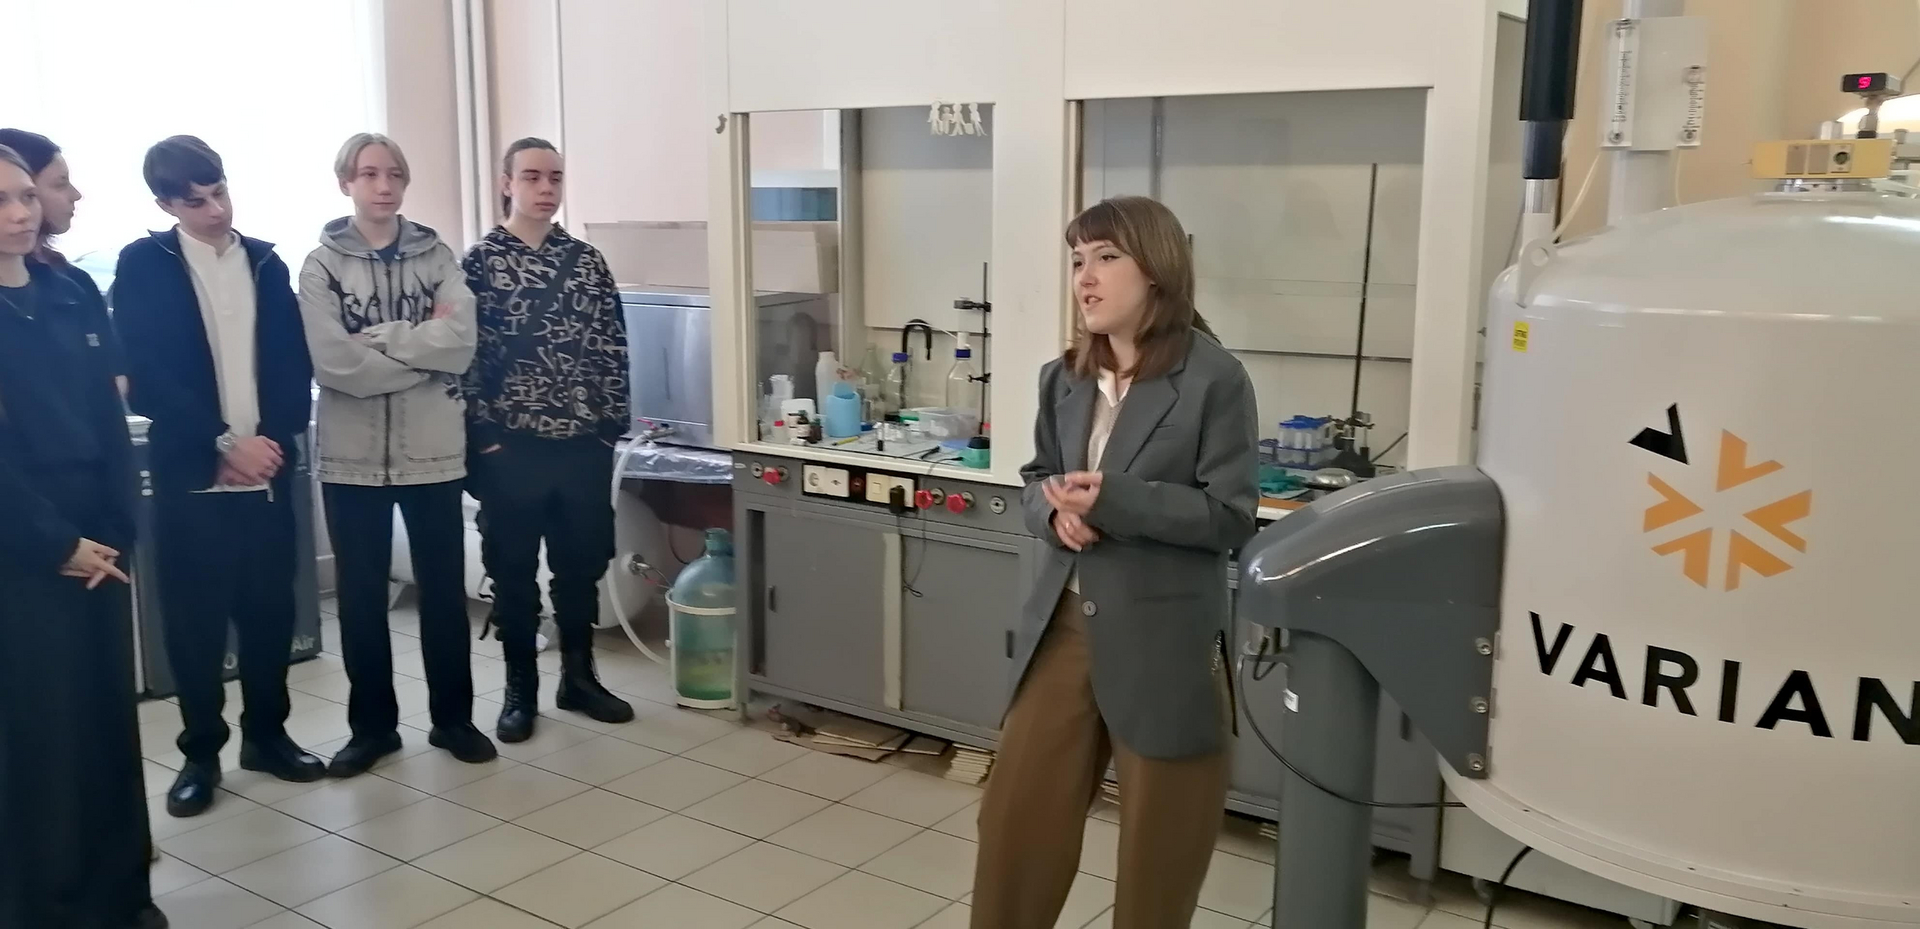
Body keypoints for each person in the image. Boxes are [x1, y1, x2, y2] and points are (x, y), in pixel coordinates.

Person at [970, 196, 1259, 929]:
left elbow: (1229, 517)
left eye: (1105, 258)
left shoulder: (1215, 380)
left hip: (1163, 638)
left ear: (1156, 269)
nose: (1085, 279)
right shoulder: (1061, 377)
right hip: (1063, 627)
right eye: (1077, 261)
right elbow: (1035, 478)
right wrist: (1053, 512)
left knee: (1160, 854)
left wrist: (1116, 500)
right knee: (1014, 827)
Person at [113, 135, 324, 818]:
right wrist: (222, 442)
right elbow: (146, 373)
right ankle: (201, 752)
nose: (216, 210)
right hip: (191, 474)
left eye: (221, 192)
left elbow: (292, 363)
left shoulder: (264, 260)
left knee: (269, 612)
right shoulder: (144, 264)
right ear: (165, 205)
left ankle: (268, 736)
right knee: (195, 624)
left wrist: (270, 442)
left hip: (267, 469)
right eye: (196, 200)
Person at [0, 143, 167, 929]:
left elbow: (108, 418)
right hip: (25, 547)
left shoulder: (69, 293)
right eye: (1, 201)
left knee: (106, 725)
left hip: (98, 540)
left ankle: (120, 896)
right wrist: (54, 541)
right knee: (42, 735)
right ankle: (48, 907)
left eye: (25, 196)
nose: (19, 213)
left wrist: (114, 528)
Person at [299, 133, 494, 775]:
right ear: (346, 183)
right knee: (360, 601)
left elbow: (461, 340)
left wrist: (384, 342)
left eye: (394, 175)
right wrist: (420, 355)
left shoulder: (437, 258)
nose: (383, 186)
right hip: (350, 460)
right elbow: (334, 362)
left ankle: (453, 720)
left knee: (443, 595)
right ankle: (373, 730)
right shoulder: (321, 266)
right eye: (368, 174)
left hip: (432, 453)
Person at [463, 137, 633, 743]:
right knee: (512, 571)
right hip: (512, 446)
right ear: (506, 182)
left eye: (555, 178)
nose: (545, 189)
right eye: (532, 177)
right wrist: (482, 437)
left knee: (580, 565)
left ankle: (579, 679)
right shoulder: (480, 263)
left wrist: (610, 429)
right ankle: (520, 691)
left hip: (582, 444)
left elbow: (612, 346)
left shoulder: (586, 261)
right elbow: (465, 357)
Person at [0, 128, 127, 395]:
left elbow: (111, 385)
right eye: (59, 184)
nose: (75, 195)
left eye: (27, 196)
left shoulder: (73, 285)